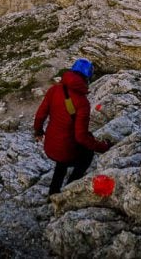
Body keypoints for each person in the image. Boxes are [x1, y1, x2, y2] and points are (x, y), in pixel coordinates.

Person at [33, 58, 111, 196]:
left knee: (61, 161)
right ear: (87, 77)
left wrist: (39, 132)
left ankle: (53, 192)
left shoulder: (54, 89)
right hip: (66, 150)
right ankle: (71, 187)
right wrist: (103, 147)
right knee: (86, 154)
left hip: (50, 146)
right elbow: (80, 137)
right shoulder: (82, 102)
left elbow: (40, 115)